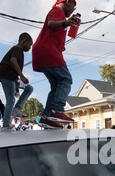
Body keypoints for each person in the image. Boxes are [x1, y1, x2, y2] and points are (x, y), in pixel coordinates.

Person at [32, 0, 80, 128]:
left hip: (42, 51)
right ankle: (57, 111)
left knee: (56, 85)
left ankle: (46, 117)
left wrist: (69, 23)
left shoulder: (60, 15)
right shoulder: (57, 10)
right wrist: (66, 22)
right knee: (66, 79)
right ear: (67, 2)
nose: (72, 10)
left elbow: (59, 30)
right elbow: (51, 24)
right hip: (48, 51)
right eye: (73, 7)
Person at [0, 33, 34, 130]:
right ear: (23, 41)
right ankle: (5, 126)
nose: (30, 48)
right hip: (7, 75)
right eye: (29, 45)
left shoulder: (18, 50)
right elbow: (13, 60)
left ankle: (17, 109)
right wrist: (21, 76)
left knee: (29, 88)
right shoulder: (18, 48)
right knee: (11, 100)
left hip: (12, 77)